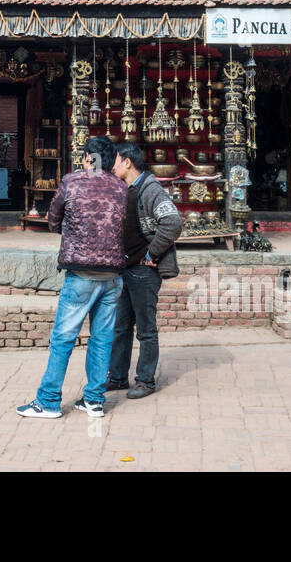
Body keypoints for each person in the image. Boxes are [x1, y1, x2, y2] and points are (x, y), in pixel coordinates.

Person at [17, 135, 127, 418]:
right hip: (113, 274)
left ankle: (49, 401)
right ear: (112, 159)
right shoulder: (120, 186)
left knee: (63, 338)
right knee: (102, 339)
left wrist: (67, 230)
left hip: (81, 272)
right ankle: (93, 400)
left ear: (88, 158)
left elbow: (53, 217)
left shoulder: (73, 182)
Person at [107, 142, 182, 399]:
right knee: (120, 327)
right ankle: (117, 377)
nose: (112, 166)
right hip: (123, 268)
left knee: (146, 329)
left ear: (127, 162)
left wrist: (152, 254)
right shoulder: (122, 188)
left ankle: (146, 381)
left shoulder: (150, 189)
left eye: (115, 161)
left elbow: (172, 222)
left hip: (143, 270)